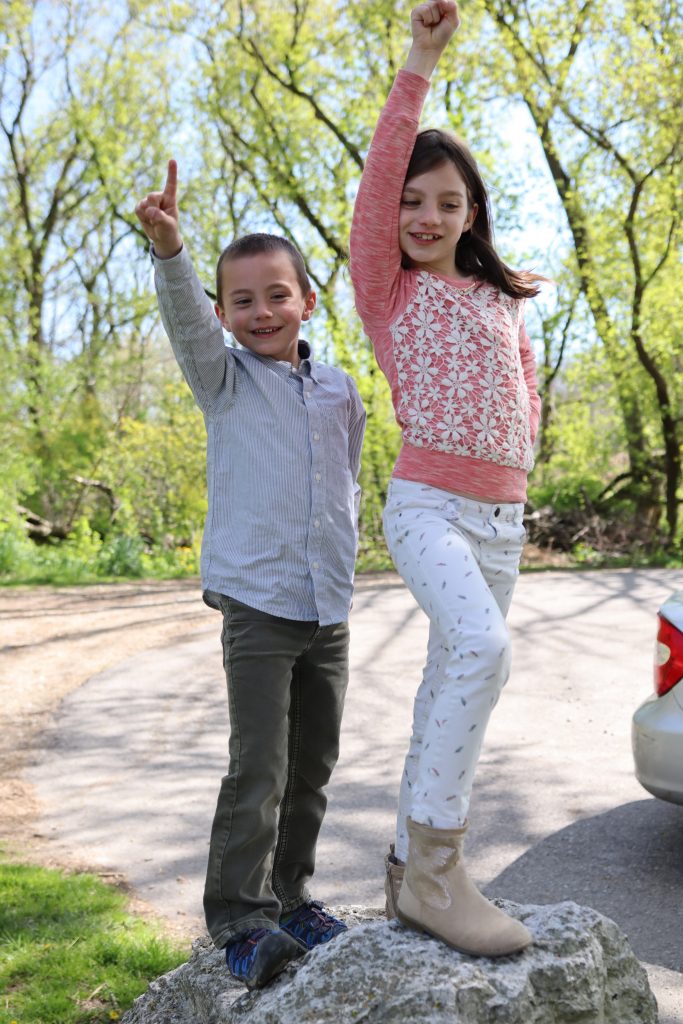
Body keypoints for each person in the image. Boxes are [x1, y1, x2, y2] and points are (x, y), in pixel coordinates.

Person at [135, 162, 366, 989]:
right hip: (259, 606)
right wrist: (171, 251)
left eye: (276, 295)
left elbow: (344, 483)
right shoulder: (224, 380)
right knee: (260, 766)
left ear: (308, 299)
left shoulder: (339, 391)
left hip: (327, 607)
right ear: (225, 314)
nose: (260, 312)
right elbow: (186, 321)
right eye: (242, 301)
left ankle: (290, 895)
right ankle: (238, 918)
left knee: (311, 766)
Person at [349, 0, 543, 957]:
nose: (426, 216)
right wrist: (420, 60)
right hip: (427, 506)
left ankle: (403, 870)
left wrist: (521, 466)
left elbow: (524, 392)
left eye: (448, 203)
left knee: (447, 686)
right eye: (411, 201)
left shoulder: (501, 300)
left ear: (472, 215)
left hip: (501, 523)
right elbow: (382, 171)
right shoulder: (390, 291)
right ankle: (437, 872)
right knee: (481, 647)